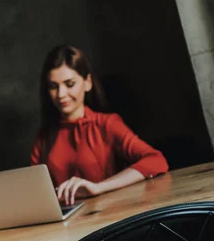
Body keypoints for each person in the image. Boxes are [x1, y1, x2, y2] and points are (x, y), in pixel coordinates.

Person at [31, 44, 168, 206]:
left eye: (69, 84)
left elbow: (156, 160)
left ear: (87, 83)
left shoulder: (106, 124)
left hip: (110, 219)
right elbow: (35, 193)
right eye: (53, 86)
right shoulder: (44, 137)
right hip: (66, 226)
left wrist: (99, 188)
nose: (61, 94)